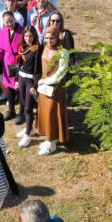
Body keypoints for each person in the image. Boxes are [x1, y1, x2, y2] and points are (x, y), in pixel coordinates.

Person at [36, 26, 69, 156]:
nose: (49, 41)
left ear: (57, 37)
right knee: (45, 112)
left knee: (52, 113)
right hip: (44, 87)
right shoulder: (45, 48)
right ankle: (49, 138)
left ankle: (52, 143)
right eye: (47, 38)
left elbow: (62, 72)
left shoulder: (63, 52)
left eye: (52, 38)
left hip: (56, 88)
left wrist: (46, 81)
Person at [0, 11, 24, 120]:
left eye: (11, 21)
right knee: (10, 88)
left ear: (14, 19)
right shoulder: (2, 32)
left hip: (20, 63)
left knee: (20, 88)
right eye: (7, 22)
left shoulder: (23, 31)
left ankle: (21, 112)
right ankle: (11, 110)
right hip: (8, 64)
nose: (9, 24)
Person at [15, 25, 42, 147]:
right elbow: (19, 65)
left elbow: (37, 69)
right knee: (23, 104)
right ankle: (29, 128)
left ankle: (27, 135)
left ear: (34, 36)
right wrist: (16, 80)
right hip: (21, 78)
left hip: (30, 80)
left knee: (28, 107)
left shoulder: (36, 49)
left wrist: (35, 85)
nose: (28, 38)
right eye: (26, 36)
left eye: (30, 36)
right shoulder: (22, 47)